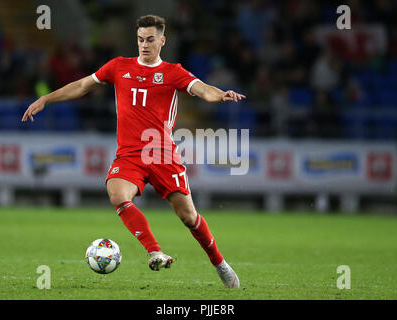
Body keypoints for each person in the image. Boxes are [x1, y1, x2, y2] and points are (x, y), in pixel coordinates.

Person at [22, 15, 245, 288]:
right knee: (117, 194)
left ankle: (220, 263)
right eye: (140, 39)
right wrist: (46, 98)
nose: (144, 45)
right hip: (129, 154)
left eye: (150, 39)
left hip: (162, 154)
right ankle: (154, 251)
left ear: (162, 41)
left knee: (188, 217)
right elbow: (82, 85)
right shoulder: (118, 67)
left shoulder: (173, 72)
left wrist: (219, 94)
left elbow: (201, 90)